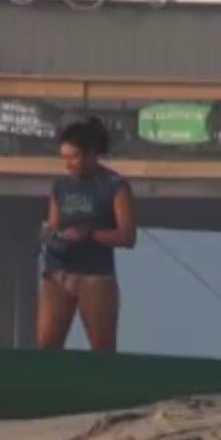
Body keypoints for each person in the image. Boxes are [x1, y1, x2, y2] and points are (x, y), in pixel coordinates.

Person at [37, 116, 136, 352]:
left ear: (91, 154)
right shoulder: (60, 186)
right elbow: (54, 224)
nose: (69, 165)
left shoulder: (114, 185)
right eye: (65, 158)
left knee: (102, 347)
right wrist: (49, 234)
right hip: (59, 271)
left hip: (95, 274)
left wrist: (90, 234)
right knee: (47, 345)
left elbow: (127, 236)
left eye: (74, 158)